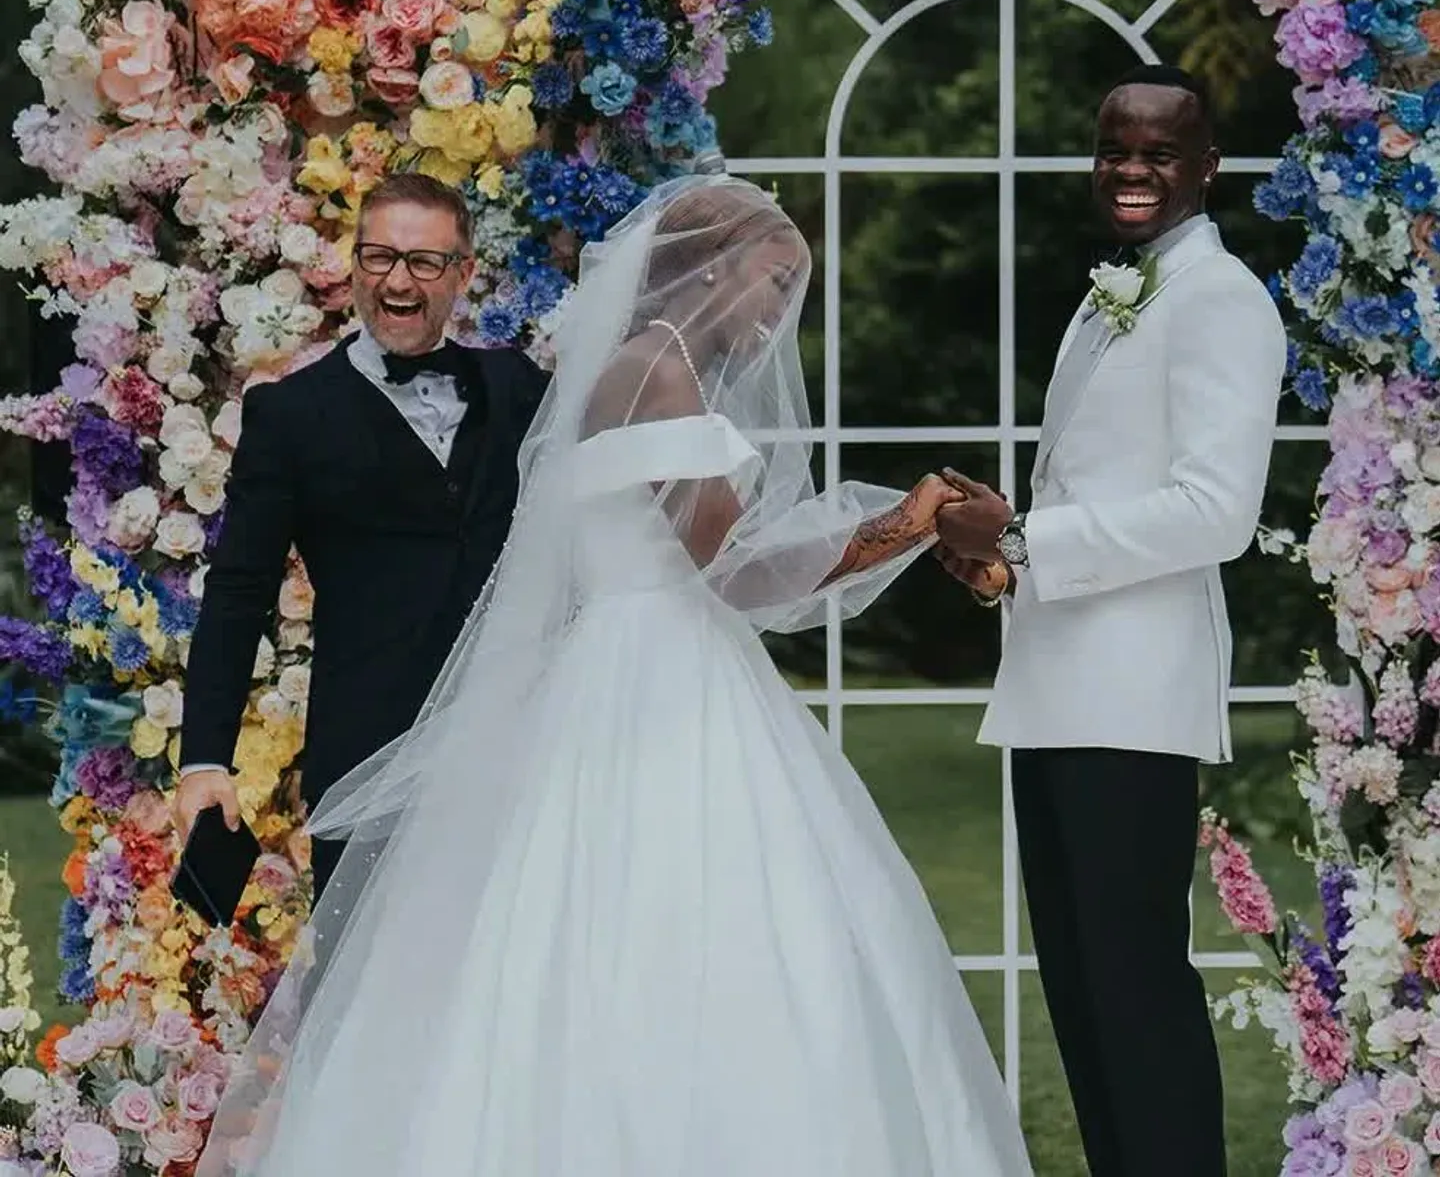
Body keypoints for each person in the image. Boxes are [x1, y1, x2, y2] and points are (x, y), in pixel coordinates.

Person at [194, 176, 1033, 1177]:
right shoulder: (654, 374)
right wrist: (905, 523)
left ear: (462, 270)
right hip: (604, 688)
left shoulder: (536, 385)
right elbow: (734, 569)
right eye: (772, 282)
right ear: (710, 270)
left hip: (601, 682)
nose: (778, 313)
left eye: (427, 259)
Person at [933, 65, 1287, 1177]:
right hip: (1059, 688)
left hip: (1132, 702)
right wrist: (1001, 561)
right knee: (1083, 994)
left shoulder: (1221, 297)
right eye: (1115, 149)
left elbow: (1217, 512)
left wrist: (1029, 538)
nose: (1131, 170)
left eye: (1158, 151)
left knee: (1134, 989)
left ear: (1206, 166)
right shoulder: (1116, 289)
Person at [177, 172, 548, 898]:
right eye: (379, 257)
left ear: (462, 274)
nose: (397, 280)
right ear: (355, 267)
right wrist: (204, 761)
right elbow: (239, 591)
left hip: (516, 752)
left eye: (423, 261)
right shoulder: (289, 415)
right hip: (368, 766)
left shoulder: (517, 388)